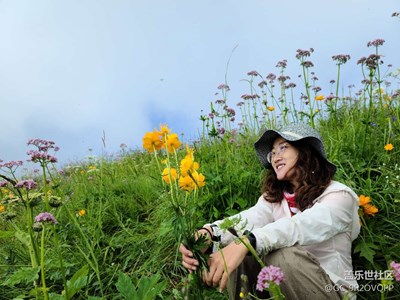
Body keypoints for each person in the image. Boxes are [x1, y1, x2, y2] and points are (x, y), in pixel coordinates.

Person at [179, 123, 361, 299]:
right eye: (272, 153)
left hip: (330, 291)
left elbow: (301, 226)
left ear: (305, 151)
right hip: (281, 292)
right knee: (240, 253)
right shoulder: (275, 200)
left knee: (282, 255)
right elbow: (248, 219)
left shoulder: (339, 196)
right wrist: (209, 234)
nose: (275, 157)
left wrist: (247, 242)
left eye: (283, 148)